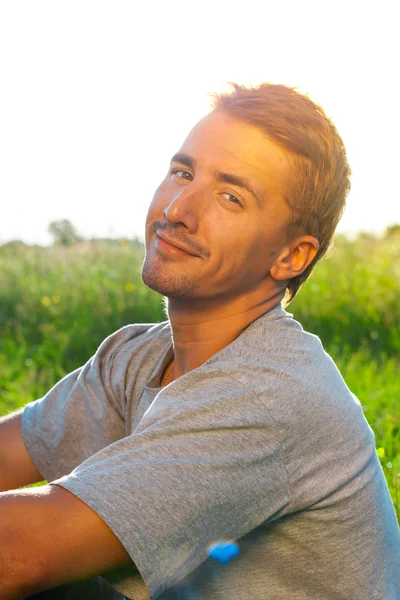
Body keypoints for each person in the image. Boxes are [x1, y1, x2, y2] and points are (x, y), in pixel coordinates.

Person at [0, 82, 399, 600]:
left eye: (231, 197)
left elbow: (16, 556)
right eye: (182, 172)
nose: (179, 208)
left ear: (290, 258)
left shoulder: (267, 396)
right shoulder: (135, 356)